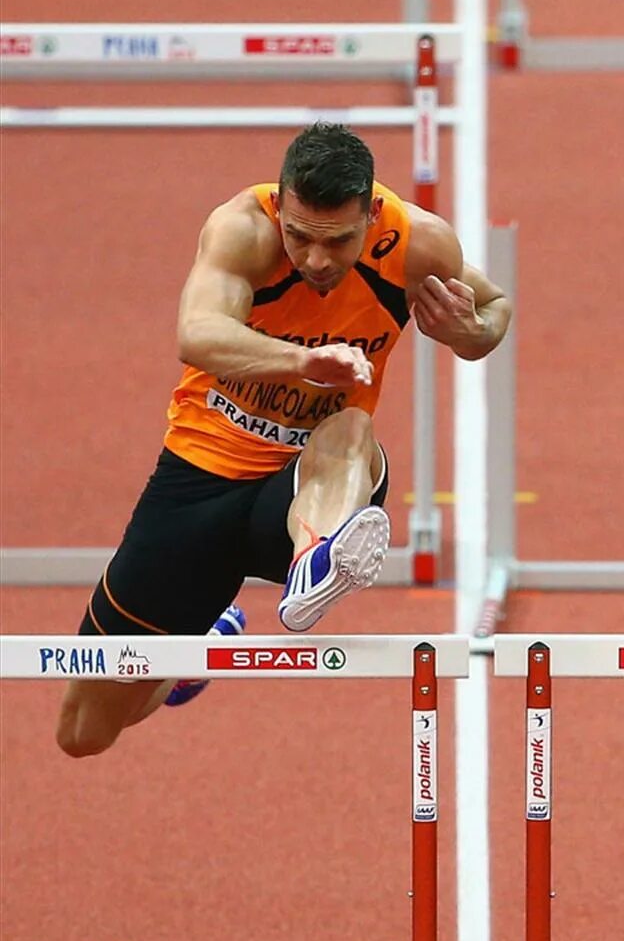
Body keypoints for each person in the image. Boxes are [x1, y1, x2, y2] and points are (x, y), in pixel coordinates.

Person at [59, 122, 512, 756]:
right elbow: (197, 333)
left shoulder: (416, 243)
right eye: (300, 237)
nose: (317, 260)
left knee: (352, 426)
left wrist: (468, 332)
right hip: (200, 480)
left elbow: (495, 310)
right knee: (83, 732)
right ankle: (198, 654)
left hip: (308, 484)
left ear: (372, 214)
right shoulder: (243, 228)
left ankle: (316, 560)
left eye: (338, 242)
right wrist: (302, 363)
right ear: (281, 204)